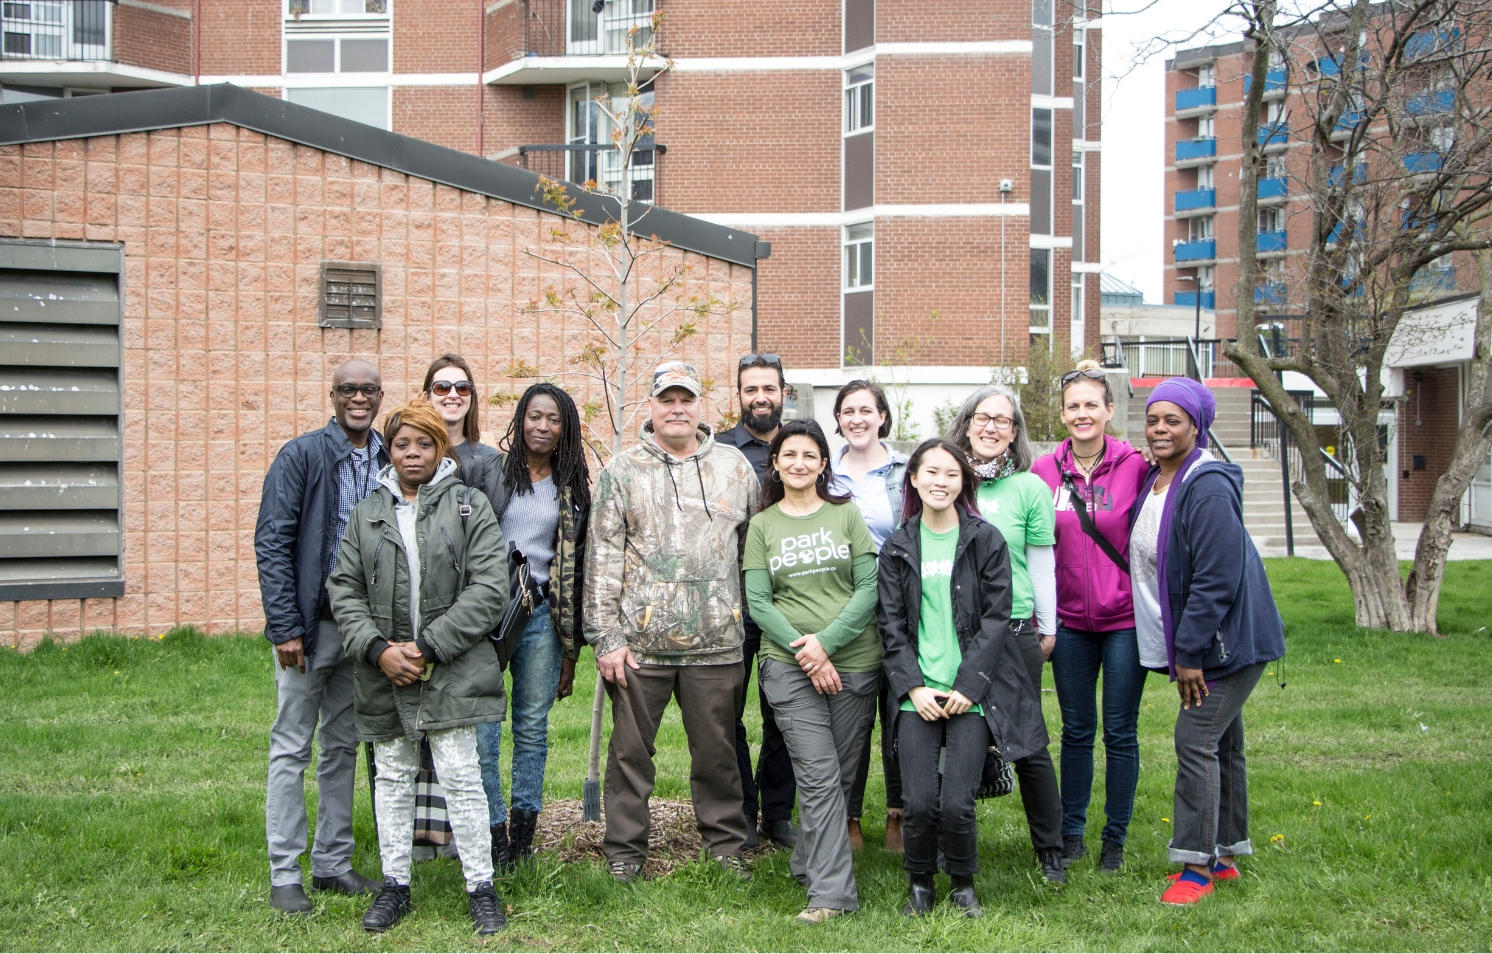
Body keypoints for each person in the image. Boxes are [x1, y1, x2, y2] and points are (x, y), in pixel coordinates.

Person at [326, 401, 511, 934]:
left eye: (424, 444)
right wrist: (378, 649)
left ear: (441, 449)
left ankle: (481, 887)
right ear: (390, 448)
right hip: (383, 670)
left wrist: (429, 647)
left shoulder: (470, 507)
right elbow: (344, 588)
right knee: (393, 778)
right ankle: (395, 886)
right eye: (403, 444)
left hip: (451, 667)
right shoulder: (368, 513)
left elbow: (490, 588)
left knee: (461, 776)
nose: (413, 453)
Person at [586, 361, 760, 883]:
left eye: (686, 398)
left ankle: (726, 844)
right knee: (630, 755)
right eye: (667, 399)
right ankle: (624, 849)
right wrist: (607, 638)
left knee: (718, 754)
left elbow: (754, 551)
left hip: (718, 644)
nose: (677, 408)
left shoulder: (735, 468)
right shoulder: (623, 470)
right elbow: (602, 557)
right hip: (641, 647)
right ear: (652, 407)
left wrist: (746, 620)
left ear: (700, 405)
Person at [877, 439, 1052, 918]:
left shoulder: (985, 540)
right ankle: (919, 884)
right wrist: (912, 686)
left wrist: (968, 686)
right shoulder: (897, 546)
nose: (940, 482)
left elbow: (997, 620)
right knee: (917, 800)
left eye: (951, 474)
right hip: (918, 694)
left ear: (964, 482)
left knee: (956, 801)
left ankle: (962, 883)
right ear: (912, 478)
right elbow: (890, 626)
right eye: (930, 472)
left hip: (969, 693)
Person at [1129, 378, 1285, 906]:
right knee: (1225, 742)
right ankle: (1226, 855)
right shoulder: (1157, 479)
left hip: (1226, 642)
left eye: (1173, 420)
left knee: (1195, 739)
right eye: (1153, 419)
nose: (1160, 429)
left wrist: (1189, 652)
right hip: (1209, 641)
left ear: (1197, 425)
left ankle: (1194, 865)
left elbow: (1216, 577)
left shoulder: (1207, 484)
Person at [255, 358, 387, 915]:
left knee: (342, 747)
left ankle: (333, 863)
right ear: (332, 396)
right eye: (348, 389)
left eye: (368, 389)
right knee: (291, 748)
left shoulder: (390, 454)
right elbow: (273, 541)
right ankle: (285, 872)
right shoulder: (301, 455)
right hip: (310, 632)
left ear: (380, 396)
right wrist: (286, 626)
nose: (359, 397)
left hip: (363, 634)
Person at [743, 419, 882, 924]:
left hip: (856, 663)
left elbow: (869, 588)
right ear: (775, 464)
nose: (799, 463)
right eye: (789, 455)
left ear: (824, 464)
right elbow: (759, 601)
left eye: (809, 455)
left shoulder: (847, 517)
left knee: (841, 778)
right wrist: (808, 651)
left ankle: (807, 859)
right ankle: (830, 895)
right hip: (788, 665)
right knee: (819, 776)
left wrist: (828, 643)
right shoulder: (762, 526)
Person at [462, 383, 590, 871]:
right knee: (484, 730)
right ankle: (493, 832)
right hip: (489, 615)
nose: (543, 426)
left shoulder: (572, 486)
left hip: (541, 619)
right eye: (535, 417)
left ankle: (522, 838)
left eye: (554, 420)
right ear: (520, 420)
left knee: (532, 728)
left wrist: (572, 651)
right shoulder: (489, 473)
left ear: (565, 429)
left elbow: (576, 571)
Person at [1030, 361, 1151, 872]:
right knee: (1077, 730)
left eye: (1091, 405)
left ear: (1108, 411)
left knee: (1120, 731)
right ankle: (1072, 831)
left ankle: (1115, 839)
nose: (1082, 414)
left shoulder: (1136, 466)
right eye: (1073, 406)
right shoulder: (1041, 471)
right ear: (1062, 414)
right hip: (1070, 621)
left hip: (1124, 618)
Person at [945, 385, 1067, 883]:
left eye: (1003, 420)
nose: (992, 427)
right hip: (953, 633)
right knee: (951, 741)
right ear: (966, 423)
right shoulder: (948, 480)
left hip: (1015, 630)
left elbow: (1042, 565)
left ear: (1014, 432)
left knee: (1029, 741)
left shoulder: (1029, 488)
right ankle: (941, 845)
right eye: (983, 417)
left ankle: (1051, 849)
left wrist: (1048, 626)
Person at [717, 352, 798, 850]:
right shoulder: (720, 451)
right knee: (726, 714)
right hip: (732, 604)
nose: (760, 397)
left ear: (783, 393)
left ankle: (779, 813)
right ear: (740, 394)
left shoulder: (801, 445)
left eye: (769, 388)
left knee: (784, 713)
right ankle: (741, 810)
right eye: (751, 389)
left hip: (792, 602)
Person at [828, 380, 908, 853]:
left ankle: (898, 812)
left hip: (897, 606)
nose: (856, 418)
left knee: (899, 713)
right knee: (851, 716)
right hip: (840, 607)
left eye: (866, 410)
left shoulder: (904, 471)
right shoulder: (825, 472)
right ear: (837, 419)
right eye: (847, 411)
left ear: (882, 416)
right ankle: (850, 816)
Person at [422, 353, 498, 469]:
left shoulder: (489, 457)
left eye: (462, 387)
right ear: (427, 397)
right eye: (442, 387)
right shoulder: (415, 455)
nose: (453, 395)